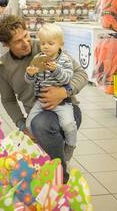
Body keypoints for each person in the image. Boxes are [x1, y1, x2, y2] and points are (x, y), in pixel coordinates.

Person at [0, 16, 88, 180]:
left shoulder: (46, 45)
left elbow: (81, 74)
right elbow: (8, 100)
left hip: (67, 108)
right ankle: (55, 162)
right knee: (38, 127)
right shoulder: (4, 67)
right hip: (37, 114)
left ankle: (60, 177)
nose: (26, 43)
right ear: (6, 44)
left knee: (41, 127)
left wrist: (64, 92)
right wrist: (21, 124)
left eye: (26, 35)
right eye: (18, 41)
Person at [25, 23, 77, 162]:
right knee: (29, 125)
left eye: (50, 43)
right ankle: (42, 147)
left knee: (68, 125)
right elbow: (31, 81)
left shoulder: (65, 60)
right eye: (42, 43)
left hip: (62, 103)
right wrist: (30, 74)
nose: (46, 46)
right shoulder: (38, 59)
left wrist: (56, 70)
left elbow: (67, 78)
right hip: (41, 101)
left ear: (60, 44)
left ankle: (71, 145)